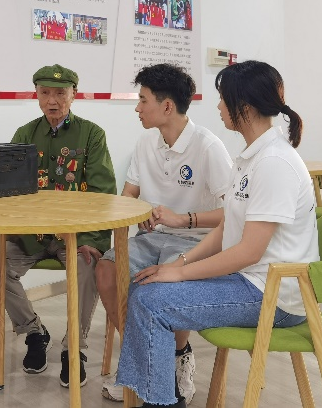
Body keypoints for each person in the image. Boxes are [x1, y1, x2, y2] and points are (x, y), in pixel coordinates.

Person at [114, 60, 318, 408]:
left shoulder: (275, 163)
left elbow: (249, 252)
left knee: (151, 302)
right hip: (251, 280)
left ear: (245, 108)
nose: (219, 107)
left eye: (223, 99)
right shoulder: (251, 157)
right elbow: (227, 229)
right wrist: (179, 262)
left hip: (273, 294)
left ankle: (161, 401)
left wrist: (180, 273)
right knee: (146, 287)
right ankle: (160, 394)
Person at [95, 64, 232, 403]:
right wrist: (139, 212)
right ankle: (146, 362)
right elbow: (128, 195)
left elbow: (234, 213)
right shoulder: (145, 142)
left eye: (143, 100)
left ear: (167, 106)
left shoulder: (208, 147)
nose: (137, 108)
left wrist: (183, 219)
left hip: (197, 241)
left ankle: (176, 357)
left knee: (164, 285)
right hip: (152, 237)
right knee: (106, 271)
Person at [0, 64, 116, 389]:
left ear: (74, 94)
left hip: (73, 236)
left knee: (88, 265)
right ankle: (34, 332)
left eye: (60, 93)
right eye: (45, 93)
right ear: (36, 94)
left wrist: (92, 240)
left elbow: (103, 194)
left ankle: (74, 347)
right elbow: (8, 188)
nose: (52, 100)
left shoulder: (92, 134)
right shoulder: (24, 134)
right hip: (30, 236)